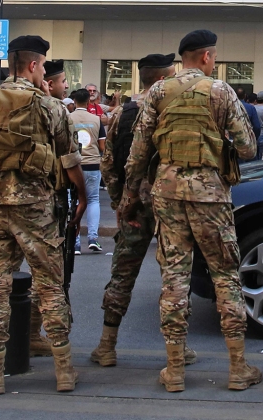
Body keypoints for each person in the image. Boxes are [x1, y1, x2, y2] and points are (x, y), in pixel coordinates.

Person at [125, 29, 259, 393]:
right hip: (211, 194)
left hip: (166, 193)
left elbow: (137, 154)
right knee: (226, 276)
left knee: (174, 278)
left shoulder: (157, 92)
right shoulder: (220, 91)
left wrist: (128, 198)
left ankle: (175, 369)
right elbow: (247, 148)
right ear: (206, 57)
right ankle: (237, 367)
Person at [0, 35, 87, 395]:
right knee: (50, 286)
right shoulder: (49, 106)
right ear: (32, 65)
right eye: (43, 65)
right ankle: (64, 371)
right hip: (37, 207)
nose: (45, 72)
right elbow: (71, 161)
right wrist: (84, 198)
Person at [92, 53, 197, 368]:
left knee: (123, 272)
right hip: (171, 202)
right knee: (175, 276)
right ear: (163, 79)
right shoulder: (175, 107)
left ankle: (107, 345)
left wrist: (119, 199)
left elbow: (109, 162)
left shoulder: (124, 111)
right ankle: (176, 351)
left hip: (134, 203)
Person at [69, 88, 105, 254]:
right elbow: (103, 146)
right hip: (92, 164)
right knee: (93, 200)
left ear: (74, 101)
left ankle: (74, 241)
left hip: (72, 166)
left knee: (73, 202)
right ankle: (93, 238)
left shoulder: (68, 118)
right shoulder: (96, 120)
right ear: (89, 102)